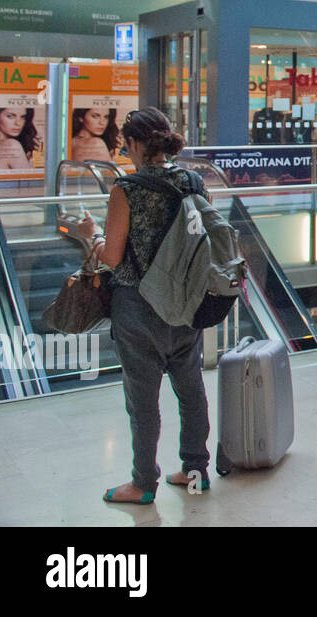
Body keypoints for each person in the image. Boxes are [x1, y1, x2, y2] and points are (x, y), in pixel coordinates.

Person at [77, 108, 211, 504]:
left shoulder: (126, 189)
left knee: (143, 400)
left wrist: (91, 235)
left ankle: (142, 483)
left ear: (134, 144)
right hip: (187, 301)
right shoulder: (193, 180)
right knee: (191, 390)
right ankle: (195, 471)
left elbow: (113, 257)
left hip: (138, 307)